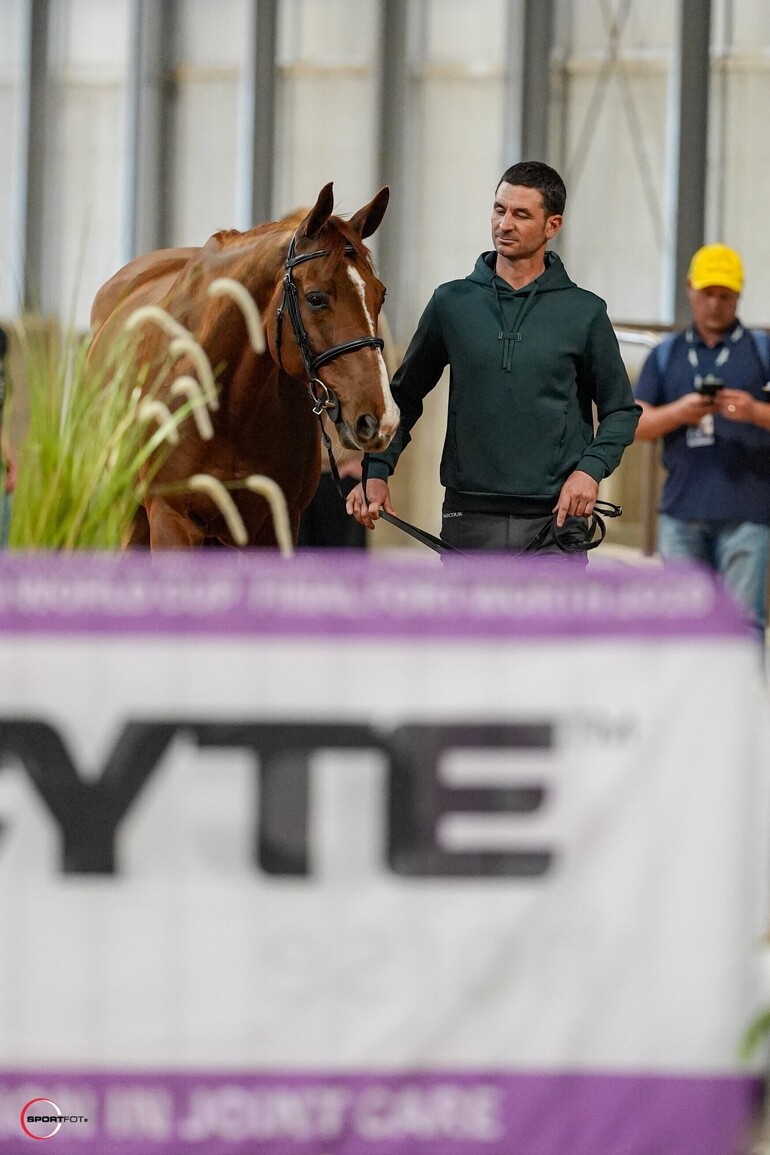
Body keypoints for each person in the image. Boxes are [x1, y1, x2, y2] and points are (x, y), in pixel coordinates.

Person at [346, 160, 640, 557]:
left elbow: (620, 410)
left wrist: (590, 470)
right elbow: (404, 398)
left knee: (548, 624)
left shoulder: (585, 313)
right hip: (468, 517)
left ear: (552, 226)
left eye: (521, 214)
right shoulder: (450, 304)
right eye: (500, 210)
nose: (504, 224)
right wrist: (376, 472)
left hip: (555, 521)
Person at [634, 243, 770, 638]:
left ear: (738, 296)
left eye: (725, 296)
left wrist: (754, 411)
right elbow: (633, 425)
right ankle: (690, 702)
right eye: (708, 293)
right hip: (681, 513)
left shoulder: (761, 352)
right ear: (690, 289)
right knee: (684, 627)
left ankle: (741, 701)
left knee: (744, 625)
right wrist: (679, 412)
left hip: (748, 513)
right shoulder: (665, 355)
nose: (715, 304)